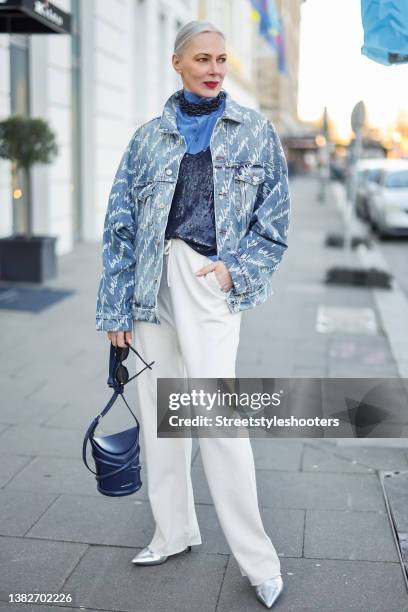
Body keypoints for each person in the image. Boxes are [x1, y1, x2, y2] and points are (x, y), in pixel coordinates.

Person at [95, 20, 290, 610]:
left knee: (217, 420)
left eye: (221, 59)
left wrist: (236, 270)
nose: (213, 69)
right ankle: (173, 530)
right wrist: (115, 308)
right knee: (162, 419)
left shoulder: (255, 132)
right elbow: (120, 227)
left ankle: (259, 561)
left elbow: (274, 227)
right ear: (176, 63)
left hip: (208, 283)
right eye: (202, 58)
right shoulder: (147, 138)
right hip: (151, 286)